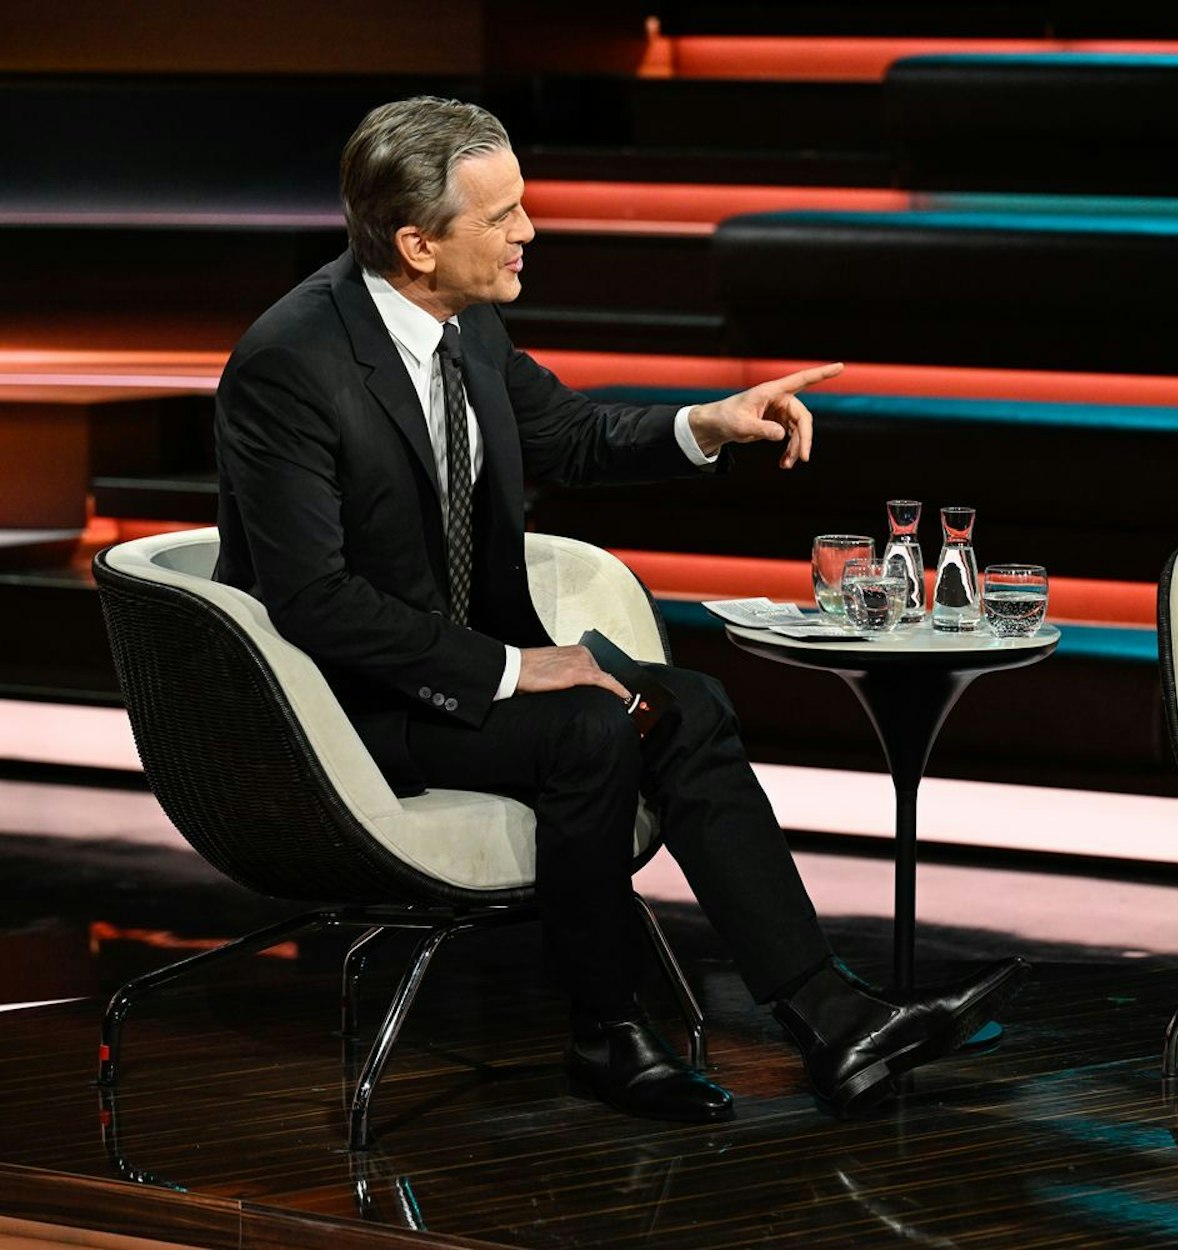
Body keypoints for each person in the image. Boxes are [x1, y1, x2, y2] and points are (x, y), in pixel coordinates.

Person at [212, 96, 1025, 1123]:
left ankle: (831, 1017)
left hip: (467, 677)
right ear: (416, 242)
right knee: (589, 724)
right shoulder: (292, 363)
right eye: (501, 215)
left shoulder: (464, 327)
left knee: (688, 705)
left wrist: (707, 424)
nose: (529, 232)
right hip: (354, 709)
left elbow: (567, 434)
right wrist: (513, 669)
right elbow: (312, 598)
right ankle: (606, 1028)